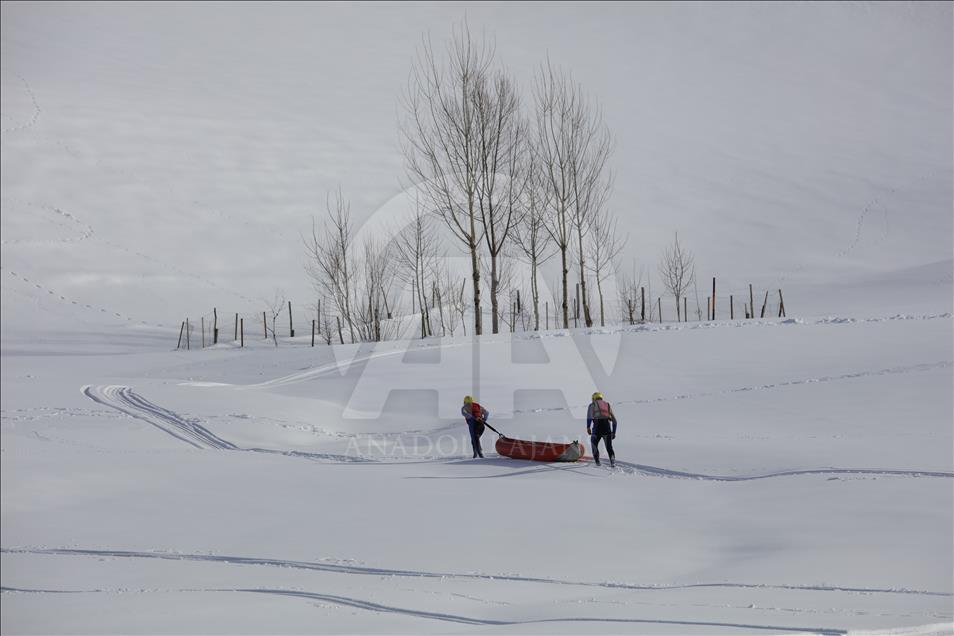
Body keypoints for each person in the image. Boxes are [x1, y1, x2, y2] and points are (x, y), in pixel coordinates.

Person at [587, 391, 618, 467]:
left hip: (597, 429)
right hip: (607, 429)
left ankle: (597, 462)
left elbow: (589, 418)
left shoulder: (592, 405)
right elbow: (615, 421)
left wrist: (588, 427)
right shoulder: (608, 405)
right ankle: (613, 461)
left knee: (594, 444)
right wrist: (614, 432)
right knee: (609, 447)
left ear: (593, 398)